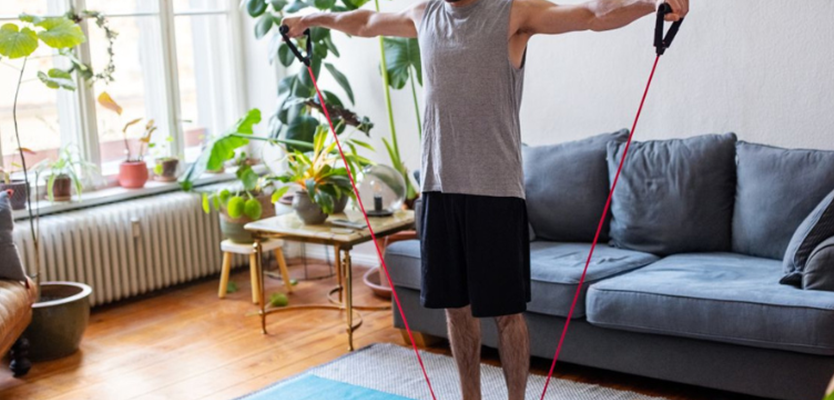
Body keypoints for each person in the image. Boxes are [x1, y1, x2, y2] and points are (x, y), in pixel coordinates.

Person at [281, 0, 687, 398]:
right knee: (455, 309)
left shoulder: (511, 12)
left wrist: (651, 3)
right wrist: (311, 17)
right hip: (439, 190)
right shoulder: (425, 15)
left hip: (495, 193)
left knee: (507, 314)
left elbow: (591, 15)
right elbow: (367, 20)